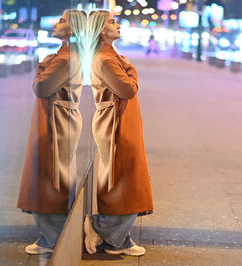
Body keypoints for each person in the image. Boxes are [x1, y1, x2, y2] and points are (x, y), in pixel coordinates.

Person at [17, 9, 89, 255]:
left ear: (72, 29)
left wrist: (41, 67)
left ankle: (51, 238)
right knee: (56, 172)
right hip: (62, 117)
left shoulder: (63, 58)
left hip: (58, 119)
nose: (56, 24)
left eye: (62, 20)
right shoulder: (66, 55)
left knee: (50, 174)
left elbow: (41, 87)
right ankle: (54, 234)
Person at [84, 10, 154, 257]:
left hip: (118, 120)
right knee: (125, 179)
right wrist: (132, 70)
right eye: (112, 22)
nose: (118, 25)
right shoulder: (105, 58)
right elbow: (127, 89)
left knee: (124, 179)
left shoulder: (110, 56)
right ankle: (104, 229)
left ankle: (117, 238)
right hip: (115, 122)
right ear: (102, 31)